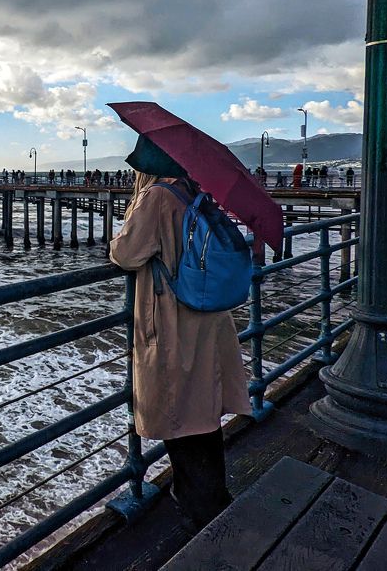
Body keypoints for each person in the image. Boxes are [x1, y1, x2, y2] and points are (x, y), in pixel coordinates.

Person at [110, 168, 251, 531]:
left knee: (183, 416)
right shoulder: (190, 191)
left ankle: (204, 509)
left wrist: (118, 234)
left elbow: (126, 253)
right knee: (202, 415)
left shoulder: (157, 196)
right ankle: (207, 497)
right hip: (206, 317)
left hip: (177, 322)